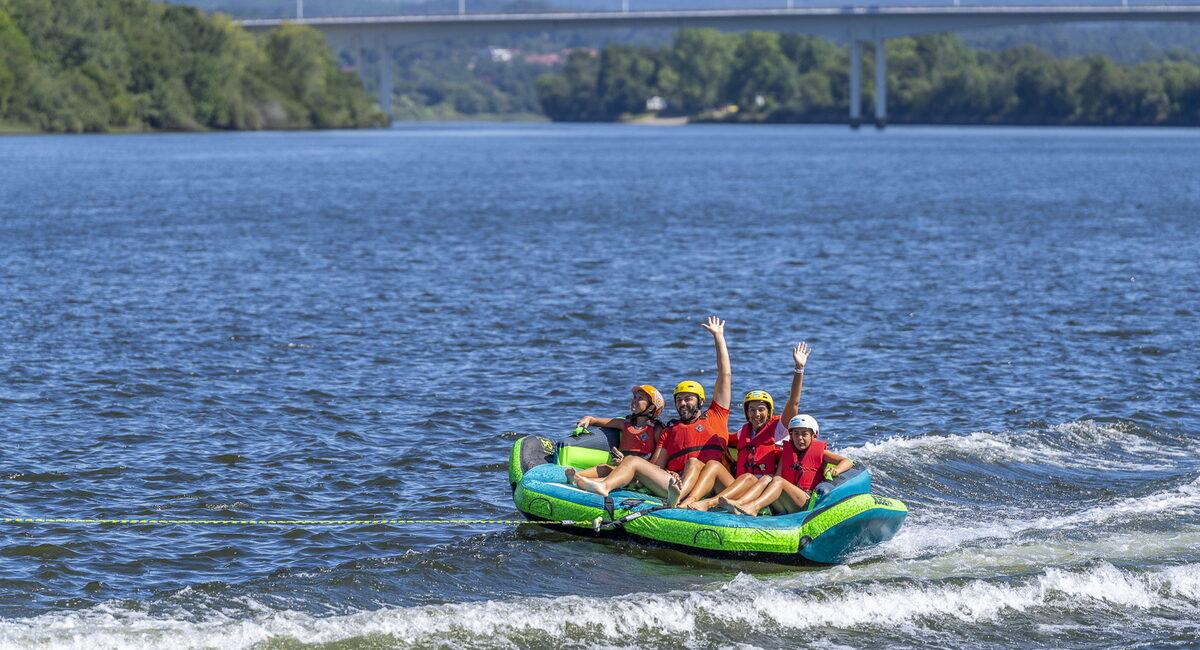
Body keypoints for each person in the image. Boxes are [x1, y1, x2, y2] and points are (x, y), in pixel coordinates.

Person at [571, 316, 732, 503]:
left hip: (710, 484)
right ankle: (603, 486)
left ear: (701, 402)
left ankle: (680, 497)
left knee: (694, 463)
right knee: (632, 462)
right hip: (676, 483)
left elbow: (725, 375)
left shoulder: (716, 416)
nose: (683, 404)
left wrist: (718, 337)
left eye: (688, 399)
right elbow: (656, 466)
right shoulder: (669, 431)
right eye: (679, 400)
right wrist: (658, 471)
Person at [680, 341, 811, 511]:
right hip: (739, 487)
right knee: (713, 464)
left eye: (761, 410)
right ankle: (689, 500)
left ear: (769, 412)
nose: (756, 414)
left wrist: (799, 369)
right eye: (752, 410)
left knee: (749, 477)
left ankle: (711, 503)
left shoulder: (779, 428)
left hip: (766, 492)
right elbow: (720, 440)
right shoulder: (743, 433)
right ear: (747, 413)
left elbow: (793, 402)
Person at [717, 413, 854, 516]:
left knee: (777, 480)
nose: (800, 438)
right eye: (796, 434)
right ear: (791, 436)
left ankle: (754, 506)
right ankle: (740, 504)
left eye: (804, 434)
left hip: (806, 502)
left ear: (814, 436)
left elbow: (847, 461)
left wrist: (836, 470)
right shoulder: (786, 455)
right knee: (767, 478)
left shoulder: (822, 453)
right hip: (786, 501)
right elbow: (777, 477)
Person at [567, 385, 665, 480]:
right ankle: (575, 476)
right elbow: (596, 421)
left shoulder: (656, 430)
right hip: (622, 468)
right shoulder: (624, 424)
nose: (635, 400)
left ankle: (582, 481)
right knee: (604, 467)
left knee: (613, 473)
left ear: (651, 408)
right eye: (634, 397)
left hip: (643, 475)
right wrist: (588, 419)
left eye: (640, 398)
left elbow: (658, 461)